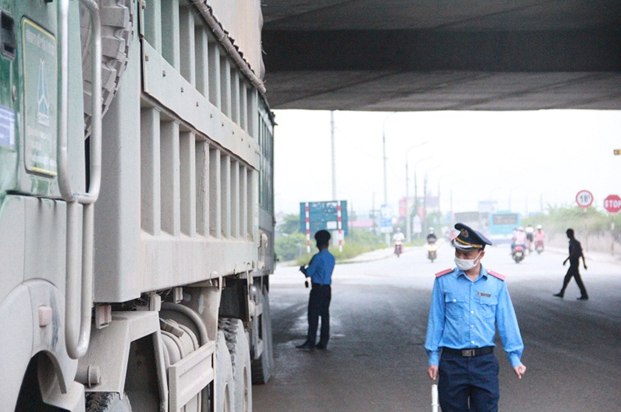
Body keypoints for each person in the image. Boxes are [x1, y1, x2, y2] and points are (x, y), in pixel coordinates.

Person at [425, 223, 527, 412]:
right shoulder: (444, 282)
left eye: (467, 255)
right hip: (452, 363)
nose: (461, 258)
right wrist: (433, 357)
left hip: (484, 363)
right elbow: (436, 321)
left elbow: (507, 322)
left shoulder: (496, 284)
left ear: (481, 254)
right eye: (458, 253)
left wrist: (515, 358)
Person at [297, 230, 336, 349]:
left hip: (317, 289)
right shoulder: (331, 258)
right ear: (328, 244)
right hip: (327, 289)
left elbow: (309, 273)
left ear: (317, 244)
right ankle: (323, 342)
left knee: (313, 315)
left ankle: (311, 341)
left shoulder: (317, 257)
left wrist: (303, 269)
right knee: (325, 315)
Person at [554, 228, 588, 300]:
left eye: (567, 234)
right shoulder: (575, 242)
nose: (567, 235)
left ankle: (562, 292)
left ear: (570, 234)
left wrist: (566, 260)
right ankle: (583, 294)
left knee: (568, 278)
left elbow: (573, 253)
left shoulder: (573, 243)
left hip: (574, 262)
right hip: (574, 262)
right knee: (576, 279)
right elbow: (581, 253)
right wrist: (584, 263)